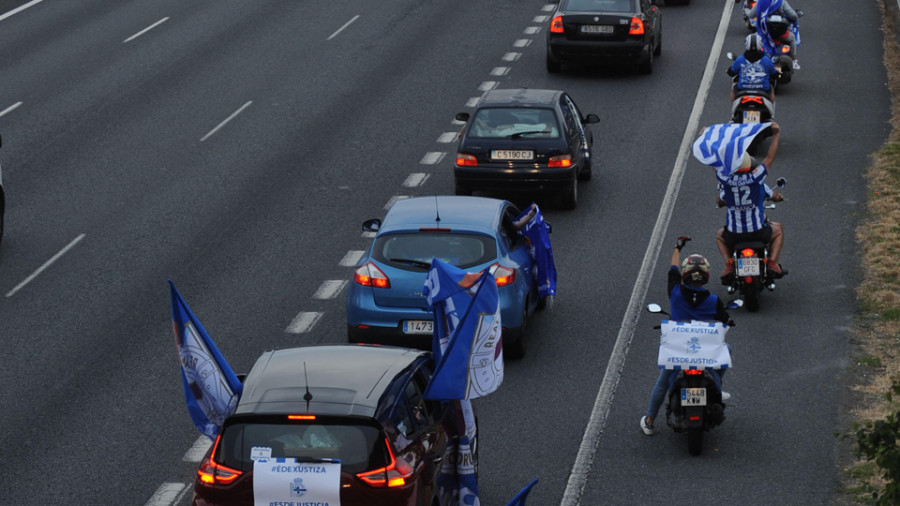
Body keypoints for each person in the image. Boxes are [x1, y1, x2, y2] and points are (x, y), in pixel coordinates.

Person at [640, 236, 731, 436]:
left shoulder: (675, 292)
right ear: (706, 276)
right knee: (727, 353)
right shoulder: (714, 300)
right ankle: (716, 386)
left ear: (685, 275)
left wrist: (677, 247)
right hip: (704, 352)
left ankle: (649, 420)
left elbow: (672, 268)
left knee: (663, 382)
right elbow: (724, 322)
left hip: (678, 351)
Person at [716, 122, 786, 282]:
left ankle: (728, 265)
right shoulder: (756, 179)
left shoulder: (727, 181)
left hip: (733, 235)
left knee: (720, 235)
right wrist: (775, 135)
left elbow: (716, 167)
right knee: (778, 229)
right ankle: (773, 263)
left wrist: (713, 143)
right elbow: (770, 158)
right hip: (758, 232)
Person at [747, 0, 801, 69]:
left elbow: (751, 15)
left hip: (764, 33)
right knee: (792, 39)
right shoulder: (781, 2)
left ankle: (750, 61)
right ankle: (794, 61)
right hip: (781, 34)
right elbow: (793, 15)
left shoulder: (761, 2)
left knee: (752, 40)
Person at [728, 34, 779, 104]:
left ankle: (733, 111)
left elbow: (731, 72)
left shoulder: (740, 59)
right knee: (771, 89)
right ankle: (771, 112)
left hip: (743, 88)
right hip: (763, 89)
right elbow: (774, 74)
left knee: (733, 87)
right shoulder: (766, 60)